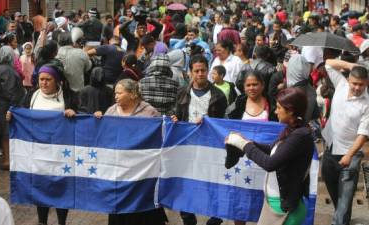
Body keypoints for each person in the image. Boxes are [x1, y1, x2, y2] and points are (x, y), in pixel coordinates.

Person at [225, 87, 314, 225]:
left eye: (279, 108)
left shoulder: (300, 136)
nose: (275, 111)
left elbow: (270, 163)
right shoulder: (291, 130)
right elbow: (272, 150)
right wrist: (248, 142)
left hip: (284, 211)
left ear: (290, 111)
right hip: (274, 206)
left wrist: (244, 145)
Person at [7, 62, 76, 225]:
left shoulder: (69, 97)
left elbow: (81, 116)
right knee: (41, 186)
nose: (43, 83)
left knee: (61, 188)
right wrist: (11, 116)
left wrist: (74, 112)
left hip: (61, 153)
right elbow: (20, 113)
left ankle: (61, 222)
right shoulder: (32, 95)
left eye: (48, 79)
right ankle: (42, 221)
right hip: (38, 152)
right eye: (41, 79)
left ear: (57, 81)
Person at [98, 79, 166, 225]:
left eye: (119, 93)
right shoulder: (111, 111)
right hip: (118, 171)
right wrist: (97, 120)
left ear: (133, 93)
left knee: (142, 211)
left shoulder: (150, 112)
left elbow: (161, 135)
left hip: (142, 171)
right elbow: (103, 137)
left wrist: (171, 123)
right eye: (115, 93)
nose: (115, 96)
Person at [171, 54, 227, 225]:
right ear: (190, 72)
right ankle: (188, 219)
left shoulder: (218, 95)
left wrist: (209, 123)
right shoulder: (182, 93)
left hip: (210, 149)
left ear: (208, 71)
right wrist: (175, 118)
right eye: (196, 71)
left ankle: (215, 218)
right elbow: (177, 114)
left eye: (203, 70)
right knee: (185, 185)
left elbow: (222, 123)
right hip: (187, 146)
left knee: (212, 185)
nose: (200, 74)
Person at [322, 59, 369, 225]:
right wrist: (352, 66)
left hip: (350, 156)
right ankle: (342, 219)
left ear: (366, 83)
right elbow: (328, 63)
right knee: (338, 199)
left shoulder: (367, 104)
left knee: (344, 200)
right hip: (329, 150)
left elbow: (363, 135)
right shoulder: (341, 84)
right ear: (348, 79)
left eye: (361, 85)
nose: (357, 88)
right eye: (354, 83)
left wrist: (349, 155)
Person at [0, 46, 25, 169]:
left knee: (5, 133)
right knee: (7, 133)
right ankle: (7, 160)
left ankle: (7, 159)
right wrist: (15, 105)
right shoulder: (7, 69)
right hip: (7, 106)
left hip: (2, 104)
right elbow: (9, 90)